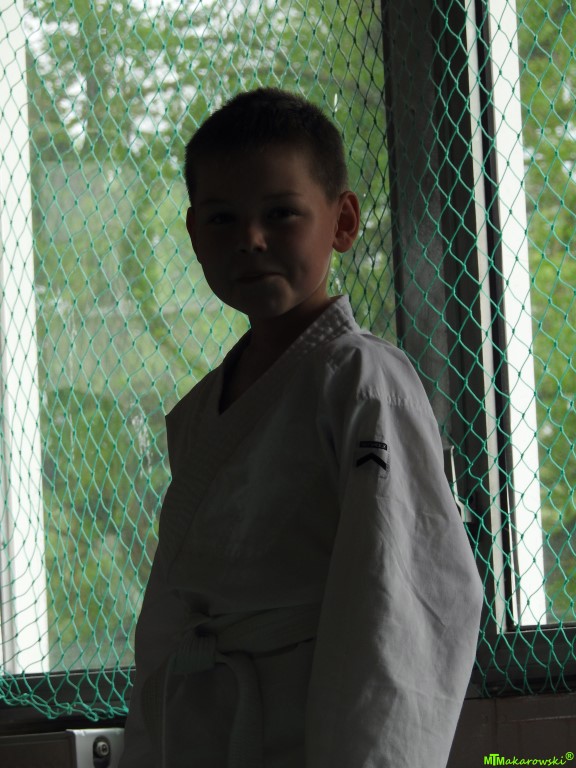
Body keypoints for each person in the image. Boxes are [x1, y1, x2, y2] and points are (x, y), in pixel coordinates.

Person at [119, 87, 483, 768]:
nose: (250, 239)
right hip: (205, 729)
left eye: (281, 214)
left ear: (342, 221)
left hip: (307, 733)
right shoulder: (202, 410)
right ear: (193, 234)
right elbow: (169, 619)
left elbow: (399, 597)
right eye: (222, 219)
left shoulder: (363, 382)